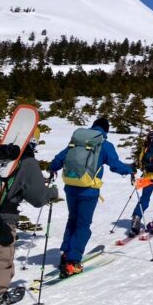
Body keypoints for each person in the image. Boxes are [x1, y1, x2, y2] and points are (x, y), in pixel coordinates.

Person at [0, 129, 58, 305]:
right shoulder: (27, 161)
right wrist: (52, 192)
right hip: (5, 216)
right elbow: (38, 198)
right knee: (2, 255)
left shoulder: (0, 154)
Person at [49, 117, 133, 277]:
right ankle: (72, 262)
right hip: (88, 191)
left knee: (72, 220)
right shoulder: (104, 144)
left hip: (70, 187)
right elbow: (115, 165)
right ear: (106, 130)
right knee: (83, 225)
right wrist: (129, 170)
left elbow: (60, 158)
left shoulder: (78, 141)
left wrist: (52, 168)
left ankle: (66, 254)